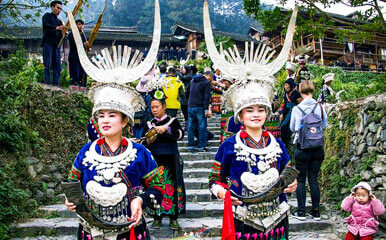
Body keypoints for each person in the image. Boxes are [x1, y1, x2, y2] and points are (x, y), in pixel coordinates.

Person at [204, 2, 299, 238]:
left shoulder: (276, 144)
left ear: (267, 113)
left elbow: (287, 170)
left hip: (277, 216)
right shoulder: (229, 145)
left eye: (260, 109)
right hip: (242, 217)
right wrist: (222, 193)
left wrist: (291, 185)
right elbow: (215, 179)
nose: (255, 114)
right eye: (249, 111)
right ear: (240, 116)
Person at [142, 93, 186, 230]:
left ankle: (174, 218)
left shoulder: (172, 121)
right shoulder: (149, 124)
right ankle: (157, 217)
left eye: (157, 107)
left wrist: (167, 129)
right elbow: (143, 141)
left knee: (172, 187)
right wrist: (149, 139)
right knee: (155, 187)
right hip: (154, 161)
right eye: (152, 107)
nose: (154, 110)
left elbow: (180, 134)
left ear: (164, 107)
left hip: (171, 158)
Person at [289, 80, 328, 221]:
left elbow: (293, 128)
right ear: (313, 90)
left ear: (300, 91)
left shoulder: (297, 109)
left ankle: (301, 212)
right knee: (313, 179)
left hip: (302, 148)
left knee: (300, 180)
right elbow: (324, 125)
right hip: (318, 148)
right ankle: (316, 212)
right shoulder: (321, 107)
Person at [186, 65, 212, 152]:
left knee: (190, 126)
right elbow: (206, 97)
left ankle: (191, 145)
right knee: (202, 127)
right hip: (200, 107)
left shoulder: (193, 80)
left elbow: (187, 91)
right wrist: (206, 109)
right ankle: (201, 146)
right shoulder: (206, 83)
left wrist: (189, 102)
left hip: (191, 106)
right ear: (209, 75)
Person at [41, 0, 65, 86]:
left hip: (56, 45)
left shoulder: (59, 21)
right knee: (47, 63)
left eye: (60, 9)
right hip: (48, 43)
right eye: (58, 8)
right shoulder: (46, 16)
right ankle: (47, 83)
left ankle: (56, 84)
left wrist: (63, 32)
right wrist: (58, 27)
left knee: (57, 65)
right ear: (52, 7)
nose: (59, 10)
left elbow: (60, 35)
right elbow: (47, 27)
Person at [279, 78, 302, 148]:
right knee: (283, 126)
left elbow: (300, 104)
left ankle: (289, 144)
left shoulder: (296, 93)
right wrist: (282, 113)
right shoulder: (286, 94)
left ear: (291, 85)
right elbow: (283, 104)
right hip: (286, 112)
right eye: (285, 85)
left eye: (287, 85)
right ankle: (284, 143)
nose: (285, 87)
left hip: (293, 113)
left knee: (288, 127)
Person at [68, 19, 88, 91]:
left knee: (82, 72)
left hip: (81, 57)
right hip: (74, 56)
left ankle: (82, 86)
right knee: (74, 71)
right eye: (79, 24)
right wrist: (83, 44)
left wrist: (87, 45)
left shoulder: (83, 35)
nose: (81, 26)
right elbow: (74, 44)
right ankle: (74, 86)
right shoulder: (71, 34)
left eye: (82, 25)